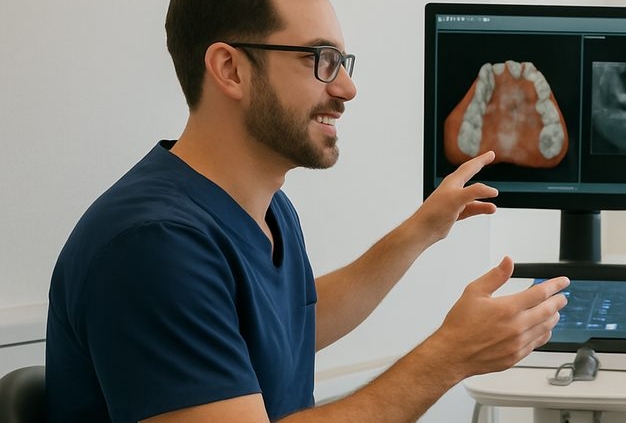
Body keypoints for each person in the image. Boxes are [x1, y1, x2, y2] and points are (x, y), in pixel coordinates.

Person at [44, 0, 569, 422]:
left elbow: (291, 324)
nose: (346, 88)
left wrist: (420, 231)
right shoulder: (154, 245)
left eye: (343, 62)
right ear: (230, 69)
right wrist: (450, 356)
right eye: (320, 59)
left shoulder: (267, 210)